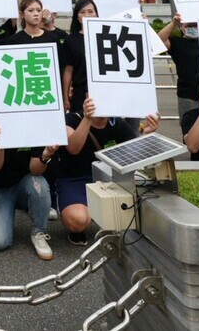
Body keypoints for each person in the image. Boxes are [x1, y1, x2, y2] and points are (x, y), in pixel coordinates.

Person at [55, 94, 159, 245]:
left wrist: (147, 134)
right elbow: (73, 148)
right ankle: (82, 214)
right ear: (87, 98)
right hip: (73, 179)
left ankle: (97, 212)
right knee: (78, 221)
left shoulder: (117, 124)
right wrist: (87, 119)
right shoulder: (72, 119)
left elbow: (135, 157)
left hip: (105, 180)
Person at [0, 121, 58, 260]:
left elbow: (35, 170)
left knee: (39, 184)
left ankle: (39, 232)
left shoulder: (35, 125)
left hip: (25, 184)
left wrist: (45, 155)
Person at [159, 12, 199, 118]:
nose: (193, 28)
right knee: (189, 126)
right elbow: (160, 40)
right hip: (187, 94)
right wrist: (174, 22)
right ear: (182, 27)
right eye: (189, 25)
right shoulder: (177, 42)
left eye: (195, 25)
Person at [62, 0, 98, 113]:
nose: (87, 15)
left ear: (97, 14)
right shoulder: (71, 40)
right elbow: (68, 70)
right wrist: (66, 97)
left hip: (102, 90)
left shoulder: (105, 36)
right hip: (80, 92)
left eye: (90, 11)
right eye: (82, 12)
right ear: (77, 17)